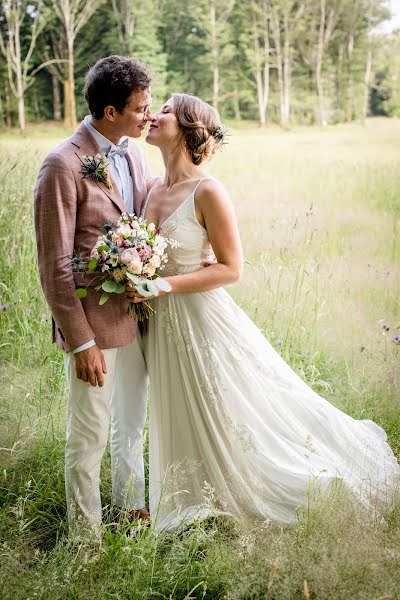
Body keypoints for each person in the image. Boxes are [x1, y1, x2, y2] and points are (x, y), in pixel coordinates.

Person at [127, 93, 400, 532]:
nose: (153, 116)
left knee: (228, 406)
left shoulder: (208, 191)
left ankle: (263, 485)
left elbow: (232, 268)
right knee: (182, 406)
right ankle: (191, 491)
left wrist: (161, 284)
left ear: (188, 129)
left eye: (165, 112)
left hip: (201, 319)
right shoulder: (153, 189)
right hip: (162, 326)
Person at [34, 55, 152, 536]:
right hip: (93, 330)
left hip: (138, 319)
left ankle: (132, 510)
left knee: (131, 426)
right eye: (141, 108)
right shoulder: (61, 164)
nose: (149, 115)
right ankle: (86, 538)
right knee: (88, 438)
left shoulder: (135, 153)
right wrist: (81, 341)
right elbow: (54, 263)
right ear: (109, 111)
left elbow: (144, 225)